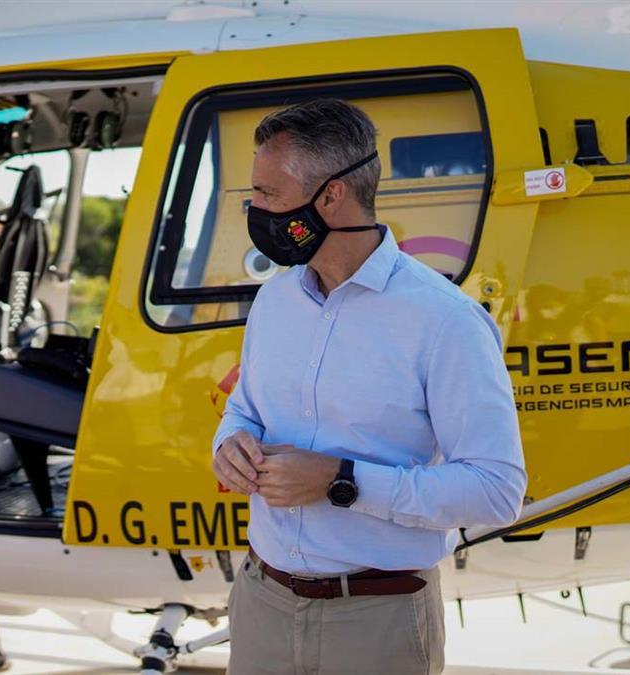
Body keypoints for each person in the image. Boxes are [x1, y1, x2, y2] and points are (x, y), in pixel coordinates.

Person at [212, 99, 526, 674]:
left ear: (331, 196)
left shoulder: (446, 320)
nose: (255, 209)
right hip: (261, 603)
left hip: (376, 622)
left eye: (267, 193)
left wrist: (341, 481)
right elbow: (245, 410)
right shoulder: (275, 300)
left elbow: (495, 491)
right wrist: (229, 444)